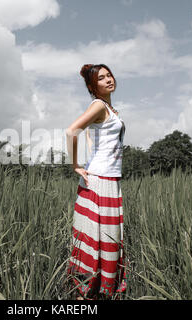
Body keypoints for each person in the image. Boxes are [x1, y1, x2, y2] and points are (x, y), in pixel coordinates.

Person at [65, 64, 128, 300]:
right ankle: (84, 297)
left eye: (109, 74)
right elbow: (72, 131)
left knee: (106, 241)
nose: (108, 79)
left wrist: (89, 159)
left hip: (109, 179)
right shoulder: (99, 105)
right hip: (99, 182)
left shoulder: (110, 109)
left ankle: (97, 294)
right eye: (101, 78)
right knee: (97, 242)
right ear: (93, 87)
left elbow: (92, 135)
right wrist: (75, 166)